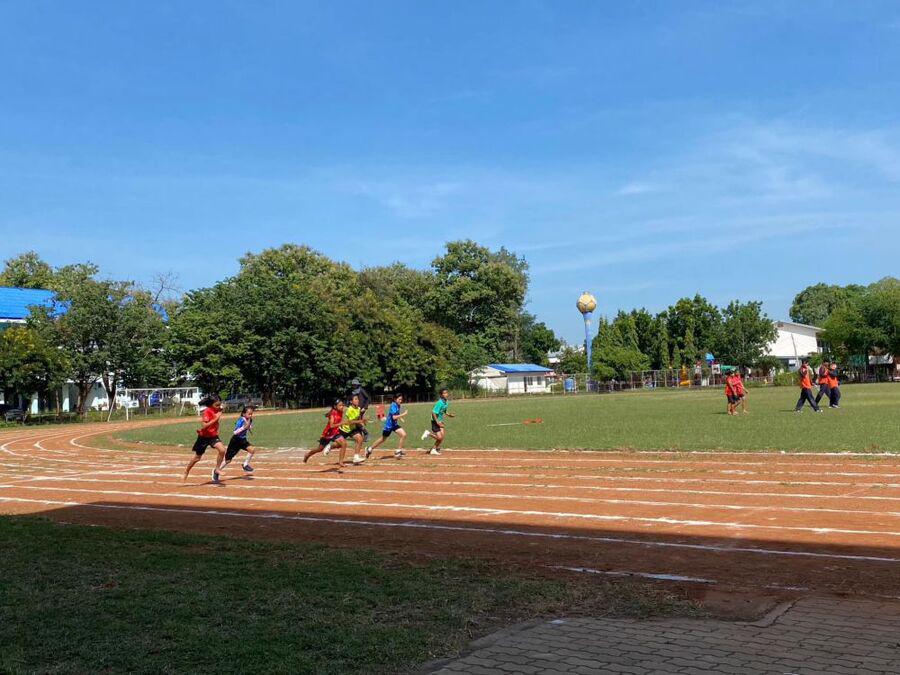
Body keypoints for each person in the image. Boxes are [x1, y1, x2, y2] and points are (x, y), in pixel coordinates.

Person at [183, 394, 228, 484]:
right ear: (211, 404)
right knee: (197, 458)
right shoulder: (207, 412)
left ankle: (217, 469)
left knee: (222, 450)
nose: (218, 406)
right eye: (217, 405)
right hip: (203, 437)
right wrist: (216, 418)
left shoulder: (218, 409)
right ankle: (187, 470)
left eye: (219, 404)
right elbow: (204, 426)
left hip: (213, 436)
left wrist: (222, 407)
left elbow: (222, 407)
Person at [303, 399, 347, 467]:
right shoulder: (332, 414)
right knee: (320, 449)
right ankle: (307, 455)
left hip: (335, 432)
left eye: (342, 405)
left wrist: (341, 424)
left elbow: (339, 421)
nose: (342, 407)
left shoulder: (341, 412)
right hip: (328, 434)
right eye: (340, 405)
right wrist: (341, 423)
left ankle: (340, 462)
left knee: (344, 443)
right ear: (335, 406)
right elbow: (331, 426)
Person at [217, 405, 258, 477]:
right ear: (244, 414)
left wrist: (248, 427)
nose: (251, 415)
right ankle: (217, 470)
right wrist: (244, 427)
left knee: (252, 449)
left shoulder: (250, 419)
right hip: (235, 441)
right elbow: (235, 432)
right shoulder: (241, 420)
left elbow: (249, 426)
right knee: (228, 460)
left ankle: (245, 465)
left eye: (251, 414)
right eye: (249, 414)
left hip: (242, 440)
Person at [366, 393, 408, 458]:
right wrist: (404, 414)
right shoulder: (393, 406)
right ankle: (370, 449)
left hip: (394, 425)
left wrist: (400, 418)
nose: (400, 401)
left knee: (403, 434)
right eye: (399, 399)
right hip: (389, 426)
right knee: (383, 439)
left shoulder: (398, 405)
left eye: (401, 399)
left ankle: (398, 451)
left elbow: (397, 413)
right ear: (395, 399)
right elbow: (394, 417)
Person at [421, 388, 455, 455]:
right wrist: (437, 422)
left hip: (440, 421)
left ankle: (434, 449)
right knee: (439, 437)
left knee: (442, 437)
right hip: (435, 421)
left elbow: (443, 410)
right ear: (441, 395)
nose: (446, 394)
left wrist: (449, 414)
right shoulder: (439, 403)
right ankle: (428, 433)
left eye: (446, 393)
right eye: (444, 393)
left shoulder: (446, 402)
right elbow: (433, 412)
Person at [340, 394, 368, 465]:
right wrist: (361, 421)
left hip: (352, 429)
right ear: (351, 401)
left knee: (359, 438)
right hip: (344, 429)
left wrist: (362, 423)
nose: (358, 400)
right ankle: (330, 447)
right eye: (355, 399)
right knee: (337, 445)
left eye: (358, 399)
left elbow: (358, 418)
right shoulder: (349, 410)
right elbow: (350, 422)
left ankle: (356, 457)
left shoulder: (358, 408)